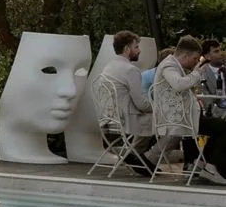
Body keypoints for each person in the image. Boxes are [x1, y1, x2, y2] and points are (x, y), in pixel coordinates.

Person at [153, 36, 226, 184]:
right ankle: (213, 168)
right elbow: (179, 84)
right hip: (178, 119)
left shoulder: (173, 65)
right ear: (185, 55)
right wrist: (197, 74)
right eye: (194, 58)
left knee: (219, 127)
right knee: (223, 127)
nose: (195, 62)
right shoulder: (169, 66)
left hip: (184, 116)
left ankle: (203, 164)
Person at [93, 31, 156, 176]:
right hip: (126, 121)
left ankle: (137, 158)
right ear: (127, 49)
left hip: (108, 119)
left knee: (152, 119)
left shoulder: (108, 67)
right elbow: (141, 104)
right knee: (164, 121)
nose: (139, 50)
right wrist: (157, 107)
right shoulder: (130, 70)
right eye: (136, 47)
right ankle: (143, 159)